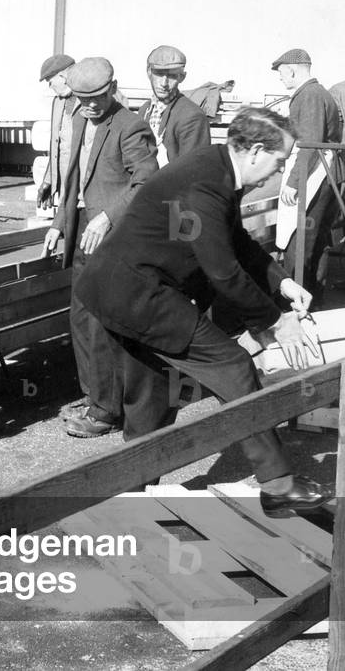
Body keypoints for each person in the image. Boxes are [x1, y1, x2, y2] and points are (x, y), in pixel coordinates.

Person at [74, 107, 331, 518]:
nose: (278, 173)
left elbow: (230, 242)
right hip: (138, 294)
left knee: (151, 396)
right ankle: (279, 485)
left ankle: (130, 497)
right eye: (279, 162)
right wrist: (275, 321)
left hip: (119, 288)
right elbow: (224, 271)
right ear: (254, 151)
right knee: (234, 367)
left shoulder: (211, 171)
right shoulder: (205, 184)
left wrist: (281, 282)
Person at [41, 57, 158, 438]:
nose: (90, 105)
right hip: (82, 238)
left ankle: (106, 412)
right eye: (82, 98)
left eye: (97, 97)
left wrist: (107, 216)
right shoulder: (78, 119)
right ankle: (94, 396)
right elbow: (73, 177)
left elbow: (147, 183)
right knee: (80, 320)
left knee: (101, 327)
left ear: (113, 87)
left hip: (113, 241)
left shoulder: (130, 126)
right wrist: (60, 225)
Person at [271, 49, 343, 308]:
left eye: (281, 73)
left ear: (292, 69)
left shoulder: (309, 95)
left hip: (315, 176)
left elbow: (310, 144)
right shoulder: (318, 93)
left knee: (299, 241)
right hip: (326, 175)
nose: (281, 78)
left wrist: (292, 181)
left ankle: (294, 303)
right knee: (318, 240)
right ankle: (314, 299)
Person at [137, 45, 210, 166]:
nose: (164, 83)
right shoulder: (145, 110)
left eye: (171, 76)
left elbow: (193, 169)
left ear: (182, 77)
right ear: (149, 73)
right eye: (159, 74)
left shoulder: (192, 116)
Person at [37, 54, 77, 214]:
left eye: (50, 82)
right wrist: (49, 180)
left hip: (86, 190)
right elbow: (58, 146)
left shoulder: (93, 101)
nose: (51, 87)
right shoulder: (59, 102)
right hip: (65, 190)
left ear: (62, 76)